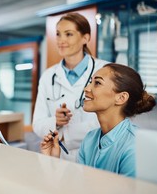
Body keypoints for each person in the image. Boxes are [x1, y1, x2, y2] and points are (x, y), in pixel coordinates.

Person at [40, 63, 156, 177]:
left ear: (121, 98)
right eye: (91, 81)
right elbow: (80, 190)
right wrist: (52, 161)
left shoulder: (134, 147)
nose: (86, 88)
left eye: (97, 83)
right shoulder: (90, 139)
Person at [32, 12, 108, 161]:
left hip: (94, 157)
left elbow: (110, 120)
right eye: (58, 34)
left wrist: (67, 135)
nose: (61, 40)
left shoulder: (105, 71)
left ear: (85, 38)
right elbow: (37, 124)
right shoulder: (48, 76)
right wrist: (55, 121)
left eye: (69, 34)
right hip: (58, 158)